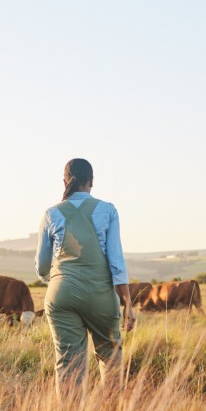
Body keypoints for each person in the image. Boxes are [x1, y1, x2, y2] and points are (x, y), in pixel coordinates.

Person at [35, 158, 136, 388]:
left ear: (64, 182)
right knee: (110, 358)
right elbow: (116, 263)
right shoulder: (108, 210)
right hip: (100, 294)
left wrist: (58, 280)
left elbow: (41, 266)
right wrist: (128, 302)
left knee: (68, 363)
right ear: (92, 181)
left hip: (61, 295)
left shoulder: (51, 214)